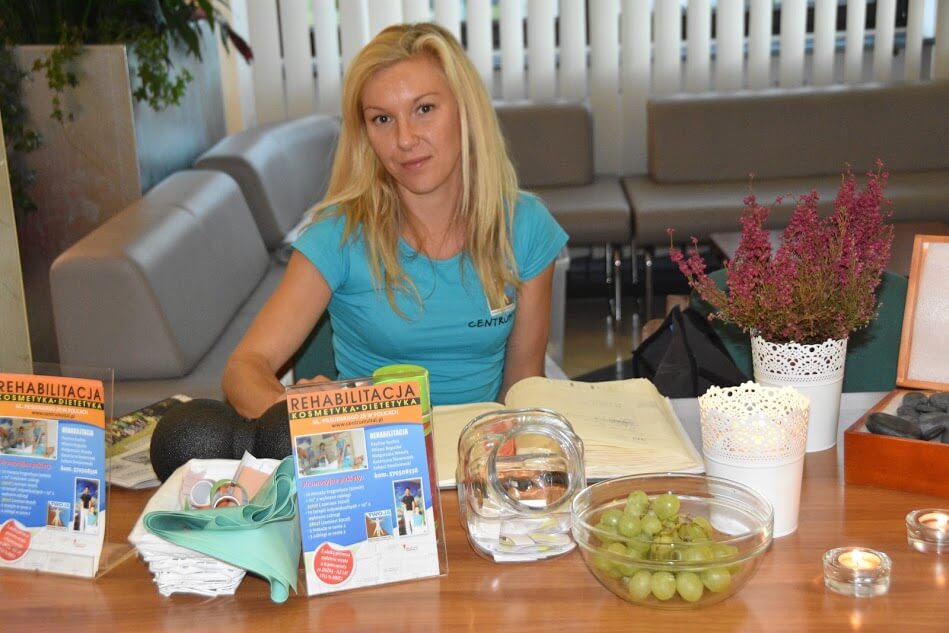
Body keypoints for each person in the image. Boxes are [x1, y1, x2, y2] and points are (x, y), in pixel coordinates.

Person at [150, 22, 566, 477]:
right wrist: (301, 420)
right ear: (365, 132)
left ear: (466, 112)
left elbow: (522, 384)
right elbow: (244, 368)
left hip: (477, 467)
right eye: (382, 119)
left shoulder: (525, 226)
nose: (405, 139)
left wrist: (503, 472)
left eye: (424, 109)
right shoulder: (339, 235)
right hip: (370, 469)